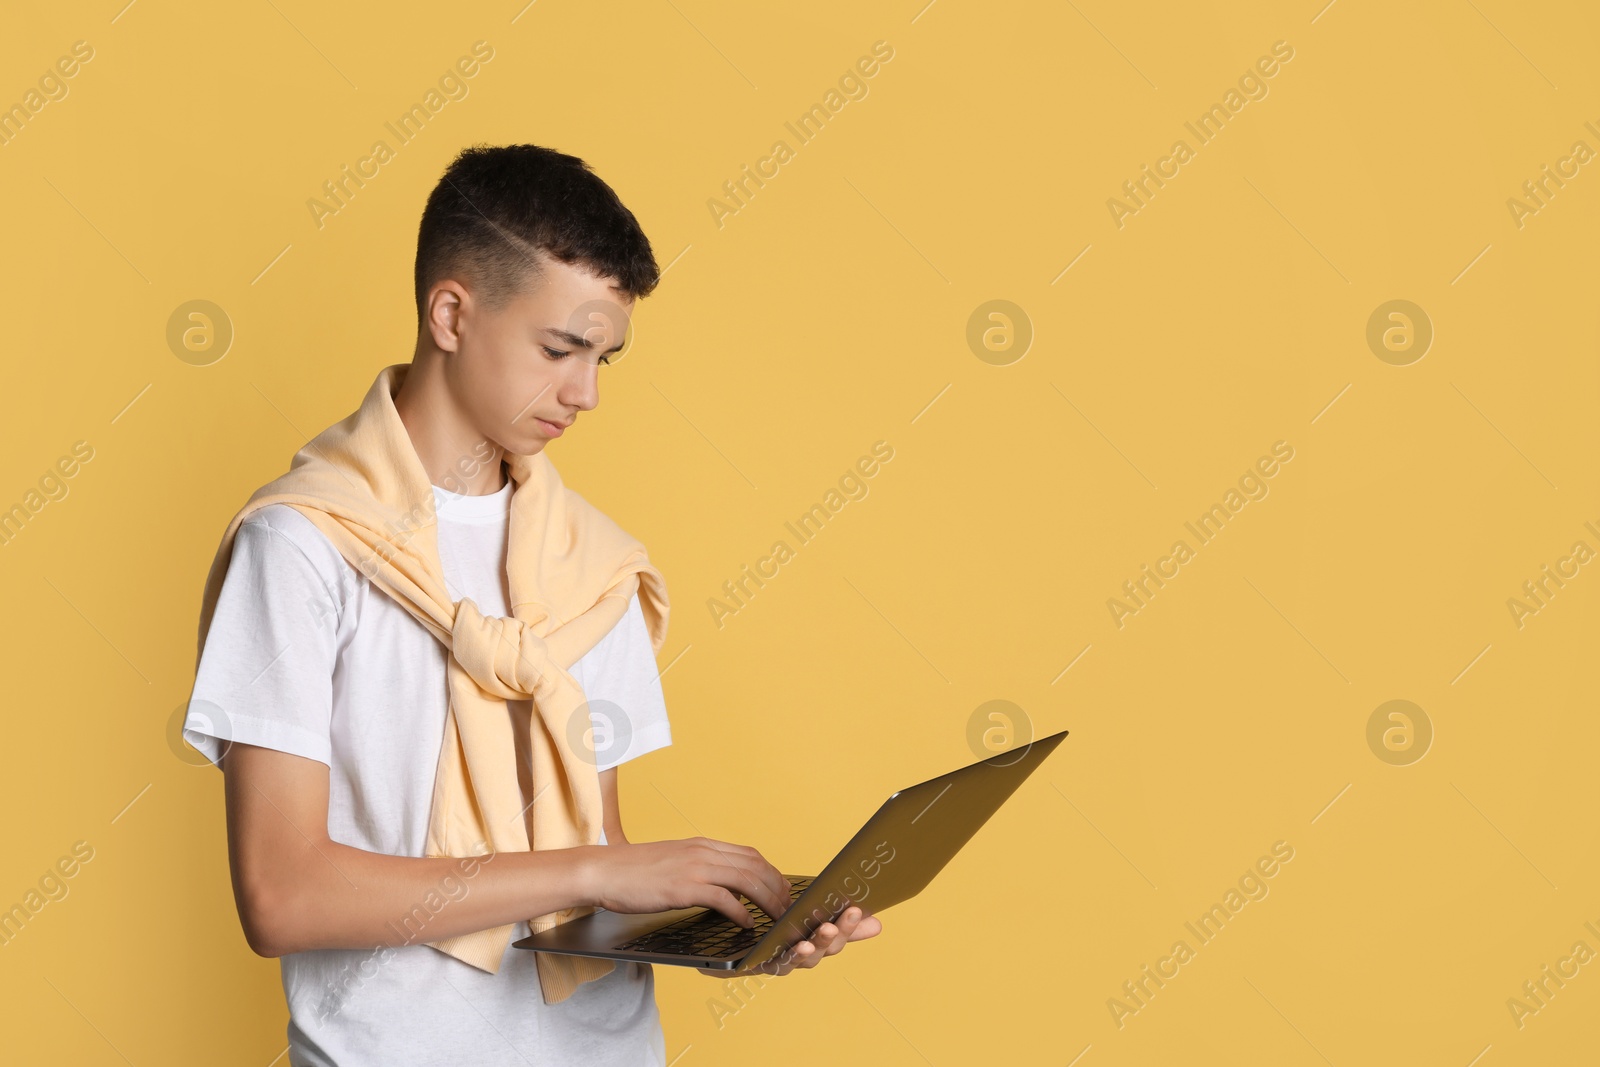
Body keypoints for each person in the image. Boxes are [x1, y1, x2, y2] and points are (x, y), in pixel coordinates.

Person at [182, 143, 881, 1067]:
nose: (585, 393)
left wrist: (726, 930)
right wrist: (602, 867)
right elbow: (283, 894)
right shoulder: (304, 546)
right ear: (452, 313)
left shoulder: (592, 566)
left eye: (605, 357)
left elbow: (592, 864)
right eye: (560, 349)